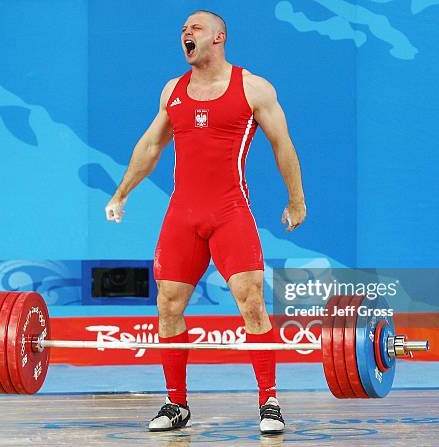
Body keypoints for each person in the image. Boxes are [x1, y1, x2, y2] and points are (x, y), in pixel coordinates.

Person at [105, 10, 306, 434]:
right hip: (183, 215)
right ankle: (176, 404)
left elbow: (282, 144)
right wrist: (122, 192)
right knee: (168, 304)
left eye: (194, 28)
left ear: (219, 37)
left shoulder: (253, 88)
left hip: (230, 212)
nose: (185, 34)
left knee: (251, 301)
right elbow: (149, 146)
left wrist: (296, 200)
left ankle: (269, 401)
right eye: (182, 30)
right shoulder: (173, 91)